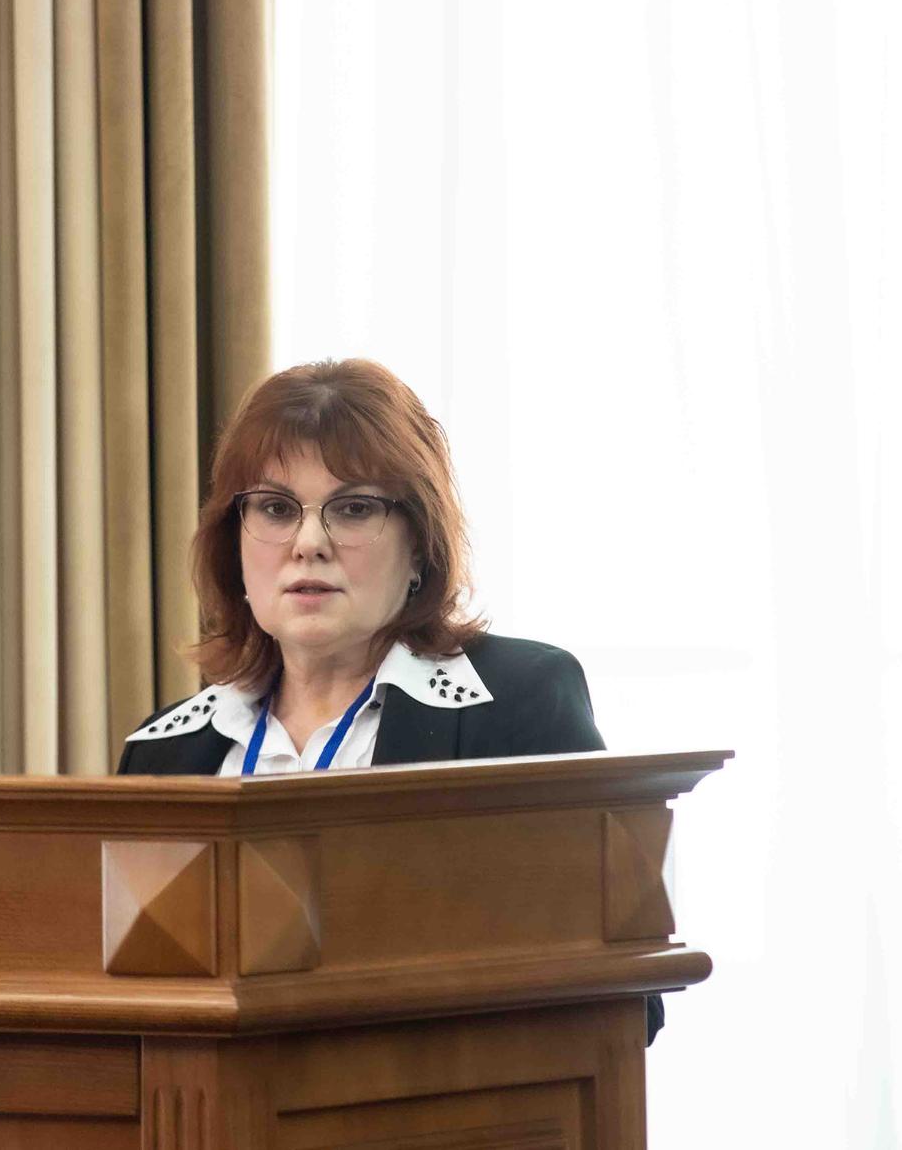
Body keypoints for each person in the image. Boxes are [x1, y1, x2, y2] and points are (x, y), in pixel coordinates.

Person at [118, 358, 663, 1045]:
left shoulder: (518, 703)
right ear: (234, 545)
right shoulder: (164, 749)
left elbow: (622, 1004)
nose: (308, 544)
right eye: (275, 509)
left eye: (354, 508)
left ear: (419, 548)